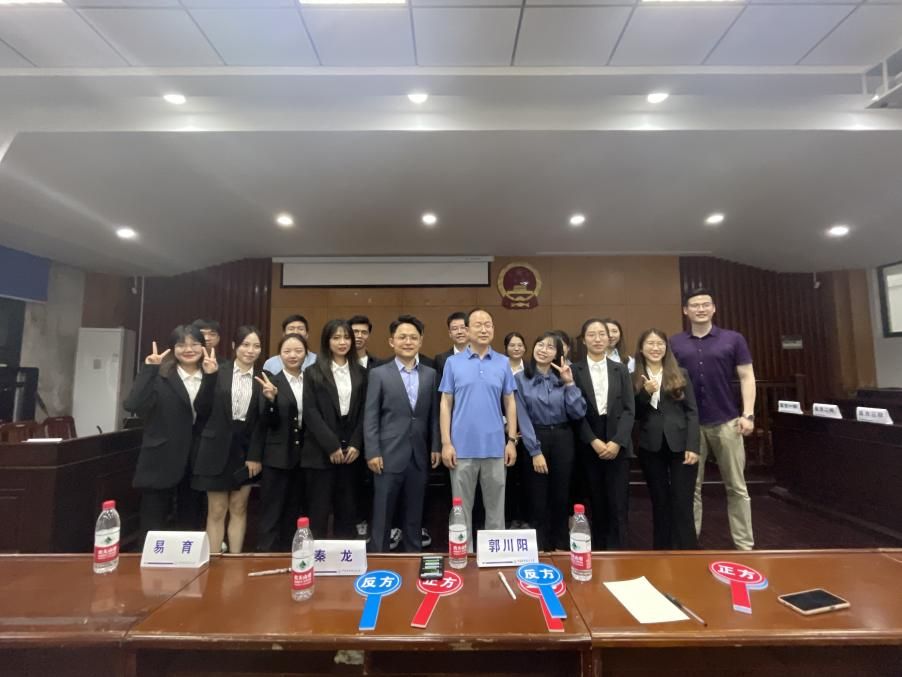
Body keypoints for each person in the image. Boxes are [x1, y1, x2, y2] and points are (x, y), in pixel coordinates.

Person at [670, 288, 756, 551]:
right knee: (691, 488)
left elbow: (747, 377)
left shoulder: (733, 339)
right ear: (685, 311)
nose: (700, 309)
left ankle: (745, 545)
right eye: (695, 305)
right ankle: (689, 543)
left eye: (705, 304)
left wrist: (748, 414)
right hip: (690, 426)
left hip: (727, 421)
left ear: (714, 308)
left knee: (737, 487)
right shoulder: (675, 343)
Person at [439, 308, 517, 546]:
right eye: (478, 325)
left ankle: (495, 555)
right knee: (461, 512)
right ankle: (463, 555)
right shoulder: (452, 363)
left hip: (495, 447)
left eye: (488, 324)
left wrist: (511, 441)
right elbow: (445, 403)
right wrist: (446, 443)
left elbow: (510, 402)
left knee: (496, 511)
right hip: (461, 449)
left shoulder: (503, 362)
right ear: (467, 330)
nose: (484, 329)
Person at [124, 325, 207, 545]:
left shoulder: (210, 375)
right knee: (154, 523)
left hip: (196, 460)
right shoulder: (160, 376)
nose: (188, 349)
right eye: (181, 345)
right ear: (172, 348)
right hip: (161, 458)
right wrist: (149, 368)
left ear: (203, 347)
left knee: (190, 522)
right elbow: (132, 404)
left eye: (194, 344)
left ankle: (186, 563)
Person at [365, 315, 440, 553]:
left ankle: (413, 558)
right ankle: (379, 558)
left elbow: (434, 416)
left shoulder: (430, 374)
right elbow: (371, 415)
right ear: (391, 341)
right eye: (402, 337)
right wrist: (372, 451)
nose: (408, 342)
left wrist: (436, 446)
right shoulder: (378, 373)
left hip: (419, 455)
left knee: (414, 515)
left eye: (413, 338)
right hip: (387, 455)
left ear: (421, 341)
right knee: (383, 515)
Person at [192, 325, 265, 554]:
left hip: (246, 451)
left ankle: (235, 560)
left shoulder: (264, 378)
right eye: (245, 345)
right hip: (215, 449)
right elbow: (201, 408)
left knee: (239, 506)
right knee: (216, 509)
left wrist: (255, 454)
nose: (250, 350)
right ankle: (213, 561)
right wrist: (209, 377)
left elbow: (262, 422)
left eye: (256, 346)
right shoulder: (217, 371)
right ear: (234, 346)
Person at [514, 333, 587, 550]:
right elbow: (522, 417)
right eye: (540, 344)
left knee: (561, 494)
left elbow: (578, 412)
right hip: (535, 436)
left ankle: (561, 545)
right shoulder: (520, 379)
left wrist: (569, 383)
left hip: (563, 438)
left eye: (550, 347)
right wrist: (535, 451)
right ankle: (540, 547)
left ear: (558, 353)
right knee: (537, 497)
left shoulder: (564, 376)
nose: (543, 350)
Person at [632, 328, 700, 550]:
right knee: (660, 502)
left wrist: (693, 446)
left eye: (659, 343)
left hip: (681, 445)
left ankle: (688, 551)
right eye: (650, 343)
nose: (655, 348)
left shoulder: (680, 373)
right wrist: (646, 393)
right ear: (641, 348)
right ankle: (661, 551)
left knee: (682, 501)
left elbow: (692, 411)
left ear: (666, 347)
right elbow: (634, 414)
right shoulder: (633, 376)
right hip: (650, 446)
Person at [571, 319, 635, 550]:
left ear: (609, 338)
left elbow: (629, 409)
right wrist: (593, 440)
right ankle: (597, 552)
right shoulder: (574, 371)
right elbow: (574, 412)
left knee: (618, 502)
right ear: (584, 340)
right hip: (589, 440)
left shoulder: (620, 369)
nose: (597, 339)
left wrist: (618, 441)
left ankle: (619, 551)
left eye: (602, 334)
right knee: (595, 500)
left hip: (617, 438)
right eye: (591, 334)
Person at [301, 319, 367, 539]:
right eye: (336, 337)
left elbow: (365, 411)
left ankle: (345, 556)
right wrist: (331, 445)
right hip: (320, 451)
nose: (342, 342)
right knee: (318, 512)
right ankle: (316, 556)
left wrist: (356, 443)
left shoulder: (362, 373)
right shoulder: (312, 372)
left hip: (351, 453)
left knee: (347, 512)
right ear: (327, 341)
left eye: (346, 337)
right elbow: (310, 412)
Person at [256, 333, 308, 552]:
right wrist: (271, 401)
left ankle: (291, 554)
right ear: (279, 355)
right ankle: (265, 554)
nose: (293, 355)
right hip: (277, 457)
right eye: (287, 351)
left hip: (304, 457)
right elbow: (267, 422)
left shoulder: (312, 381)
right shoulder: (272, 381)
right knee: (271, 511)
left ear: (306, 354)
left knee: (294, 511)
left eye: (298, 351)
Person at [502, 330, 528, 528]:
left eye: (520, 345)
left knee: (525, 477)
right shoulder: (500, 368)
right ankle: (509, 518)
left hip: (527, 431)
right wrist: (506, 425)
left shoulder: (530, 370)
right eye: (512, 345)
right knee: (508, 477)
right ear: (506, 348)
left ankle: (525, 517)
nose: (516, 348)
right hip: (503, 431)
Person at [434, 311, 469, 379]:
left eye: (463, 327)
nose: (459, 332)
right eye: (455, 329)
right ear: (450, 333)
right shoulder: (441, 360)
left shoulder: (480, 355)